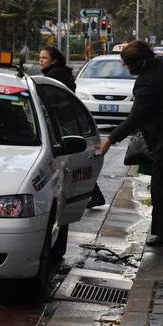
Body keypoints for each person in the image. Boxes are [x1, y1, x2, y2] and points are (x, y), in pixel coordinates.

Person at [96, 40, 163, 248]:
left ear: (139, 62)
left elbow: (135, 117)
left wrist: (109, 140)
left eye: (128, 64)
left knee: (162, 182)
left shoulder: (146, 83)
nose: (127, 68)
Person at [36, 45, 107, 209]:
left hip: (61, 123)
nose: (40, 61)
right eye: (40, 57)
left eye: (44, 58)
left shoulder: (54, 76)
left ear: (54, 60)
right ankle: (94, 195)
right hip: (66, 121)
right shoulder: (59, 73)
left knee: (67, 161)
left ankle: (91, 195)